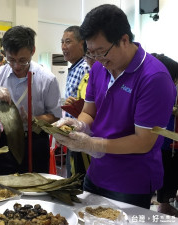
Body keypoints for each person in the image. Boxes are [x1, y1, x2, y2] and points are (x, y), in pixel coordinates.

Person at [53, 4, 176, 209]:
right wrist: (77, 126)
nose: (98, 60)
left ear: (124, 40)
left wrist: (94, 145)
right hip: (97, 172)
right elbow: (89, 112)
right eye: (91, 53)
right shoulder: (98, 69)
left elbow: (143, 141)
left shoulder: (154, 78)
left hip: (131, 182)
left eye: (101, 52)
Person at [0, 25, 62, 175]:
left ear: (32, 50)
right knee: (4, 185)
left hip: (36, 140)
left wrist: (34, 120)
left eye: (22, 60)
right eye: (11, 60)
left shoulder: (47, 79)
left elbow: (55, 115)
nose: (16, 66)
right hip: (7, 139)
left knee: (36, 187)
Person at [61, 26, 90, 178]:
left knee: (77, 177)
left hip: (81, 133)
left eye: (68, 42)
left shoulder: (85, 67)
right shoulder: (75, 67)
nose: (63, 47)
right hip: (72, 133)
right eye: (62, 42)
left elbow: (88, 103)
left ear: (82, 44)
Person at [151, 53, 178, 216]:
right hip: (165, 142)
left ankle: (166, 203)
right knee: (166, 176)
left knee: (170, 177)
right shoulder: (160, 87)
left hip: (168, 142)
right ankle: (164, 206)